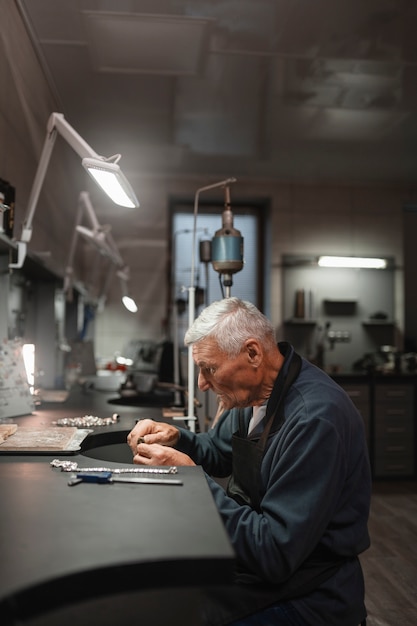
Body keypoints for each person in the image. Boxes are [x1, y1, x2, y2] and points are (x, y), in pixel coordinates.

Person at [127, 297, 371, 626]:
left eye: (209, 368)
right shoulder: (251, 397)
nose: (201, 383)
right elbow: (218, 452)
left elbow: (274, 551)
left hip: (312, 596)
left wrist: (192, 483)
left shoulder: (315, 420)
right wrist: (178, 438)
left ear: (253, 353)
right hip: (262, 568)